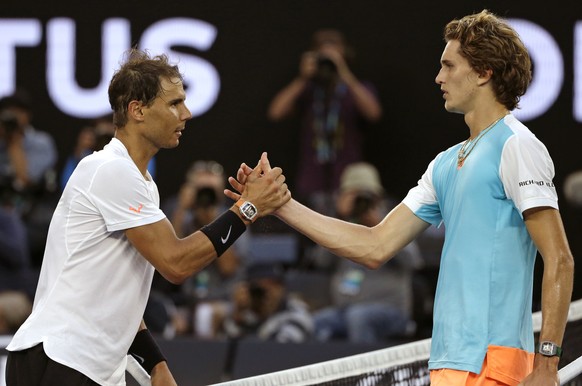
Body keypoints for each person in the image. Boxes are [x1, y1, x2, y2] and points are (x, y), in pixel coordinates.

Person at [229, 10, 574, 386]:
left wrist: (546, 365)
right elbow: (374, 245)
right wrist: (282, 205)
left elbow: (559, 258)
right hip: (448, 362)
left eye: (448, 65)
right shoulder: (444, 163)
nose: (438, 77)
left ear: (483, 72)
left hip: (495, 362)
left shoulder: (518, 145)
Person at [5, 49, 290, 386]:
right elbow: (176, 263)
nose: (187, 113)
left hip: (81, 364)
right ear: (137, 110)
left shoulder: (141, 185)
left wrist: (155, 364)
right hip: (61, 360)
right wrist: (247, 208)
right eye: (174, 103)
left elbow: (120, 291)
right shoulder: (110, 170)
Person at [267, 29, 382, 215]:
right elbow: (276, 112)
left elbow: (373, 113)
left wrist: (344, 72)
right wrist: (303, 78)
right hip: (312, 177)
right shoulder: (309, 90)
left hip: (348, 178)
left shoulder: (355, 88)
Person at [310, 162, 422, 344]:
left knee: (358, 317)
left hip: (390, 310)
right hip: (345, 310)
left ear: (378, 198)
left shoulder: (393, 220)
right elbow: (321, 262)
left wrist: (381, 228)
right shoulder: (342, 225)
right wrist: (339, 216)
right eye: (354, 196)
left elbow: (413, 261)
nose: (361, 203)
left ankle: (364, 372)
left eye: (366, 196)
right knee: (316, 322)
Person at [221, 262, 314, 343]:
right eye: (262, 287)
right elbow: (228, 351)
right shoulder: (248, 315)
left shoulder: (297, 315)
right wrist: (237, 316)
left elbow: (274, 352)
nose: (269, 292)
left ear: (283, 288)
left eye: (274, 284)